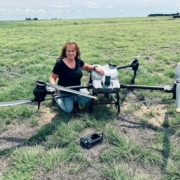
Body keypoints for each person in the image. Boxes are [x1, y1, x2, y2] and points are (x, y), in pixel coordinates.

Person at [49, 41, 105, 113]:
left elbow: (86, 66)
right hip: (64, 91)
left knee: (89, 98)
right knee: (68, 110)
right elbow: (52, 77)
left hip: (77, 89)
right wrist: (56, 87)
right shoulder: (60, 63)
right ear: (65, 52)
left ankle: (74, 100)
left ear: (76, 51)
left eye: (73, 51)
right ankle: (56, 97)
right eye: (69, 51)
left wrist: (95, 68)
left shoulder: (77, 60)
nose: (71, 53)